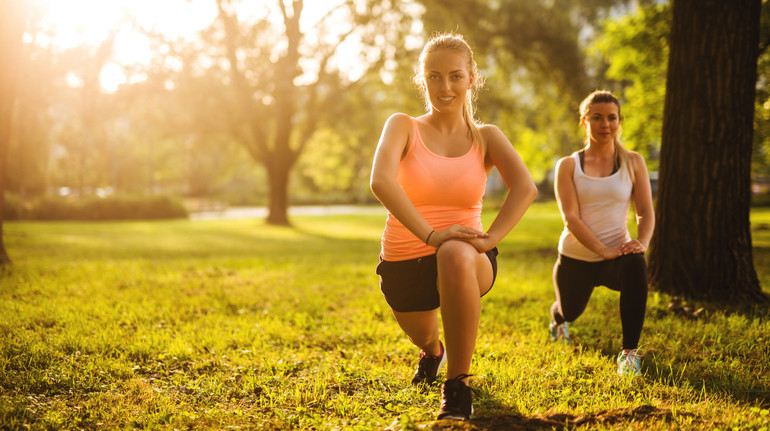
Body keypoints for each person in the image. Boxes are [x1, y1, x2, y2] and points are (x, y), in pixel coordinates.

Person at [370, 33, 537, 421]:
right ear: (422, 79)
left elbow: (525, 188)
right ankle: (433, 353)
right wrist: (430, 235)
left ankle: (458, 386)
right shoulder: (403, 126)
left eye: (455, 76)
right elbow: (381, 181)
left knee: (456, 250)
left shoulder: (487, 137)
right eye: (435, 76)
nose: (445, 87)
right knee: (423, 335)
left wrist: (490, 239)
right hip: (405, 260)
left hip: (466, 258)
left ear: (471, 78)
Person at [549, 90, 655, 376]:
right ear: (584, 122)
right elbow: (570, 217)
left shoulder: (633, 162)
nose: (605, 124)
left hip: (617, 256)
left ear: (619, 122)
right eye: (597, 118)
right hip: (576, 257)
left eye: (611, 118)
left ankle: (629, 353)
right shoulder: (569, 165)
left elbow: (645, 211)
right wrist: (603, 250)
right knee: (570, 311)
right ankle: (557, 318)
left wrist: (640, 243)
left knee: (636, 264)